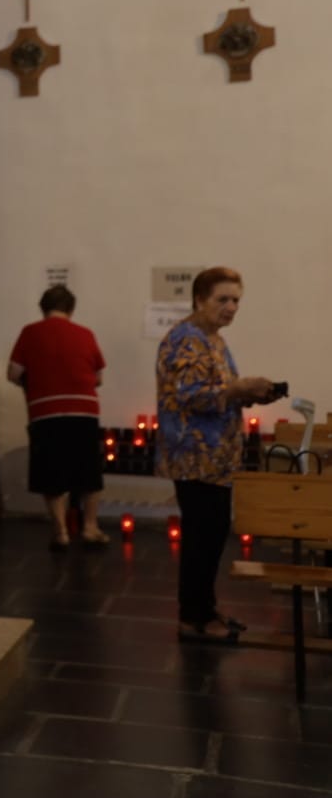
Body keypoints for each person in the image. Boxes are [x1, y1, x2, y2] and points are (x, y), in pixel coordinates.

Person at [155, 266, 278, 644]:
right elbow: (190, 394)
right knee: (200, 538)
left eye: (236, 300)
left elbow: (219, 390)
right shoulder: (187, 339)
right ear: (199, 300)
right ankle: (193, 619)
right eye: (222, 299)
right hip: (195, 457)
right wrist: (238, 387)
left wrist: (248, 392)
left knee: (210, 536)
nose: (231, 307)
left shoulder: (212, 339)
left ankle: (205, 609)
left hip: (216, 458)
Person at [8, 285, 108, 552]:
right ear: (71, 309)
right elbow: (98, 377)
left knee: (50, 472)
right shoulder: (85, 334)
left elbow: (14, 373)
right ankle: (89, 527)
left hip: (45, 413)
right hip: (84, 411)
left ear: (42, 308)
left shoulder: (30, 333)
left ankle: (61, 532)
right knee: (89, 472)